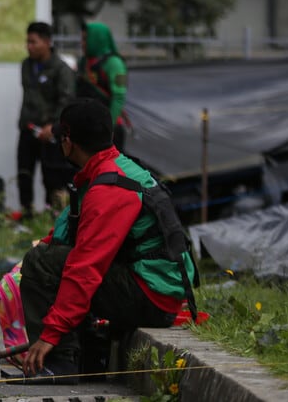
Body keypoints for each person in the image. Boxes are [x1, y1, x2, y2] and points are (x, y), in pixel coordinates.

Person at [19, 98, 194, 383]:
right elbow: (69, 234)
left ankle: (59, 362)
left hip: (153, 297)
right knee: (50, 254)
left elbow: (85, 267)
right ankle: (89, 356)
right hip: (155, 289)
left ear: (68, 141)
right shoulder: (111, 169)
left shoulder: (109, 188)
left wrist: (49, 335)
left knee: (42, 262)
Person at [17, 21, 76, 217]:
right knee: (24, 173)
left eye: (34, 42)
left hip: (50, 133)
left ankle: (54, 217)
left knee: (51, 176)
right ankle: (27, 215)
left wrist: (53, 126)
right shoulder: (27, 65)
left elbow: (66, 100)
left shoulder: (61, 69)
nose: (29, 46)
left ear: (47, 42)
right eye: (28, 42)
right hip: (28, 128)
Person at [80, 21, 129, 152]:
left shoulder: (115, 64)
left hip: (108, 130)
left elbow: (118, 97)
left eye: (85, 39)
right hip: (87, 129)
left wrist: (108, 129)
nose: (82, 43)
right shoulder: (83, 62)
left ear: (97, 39)